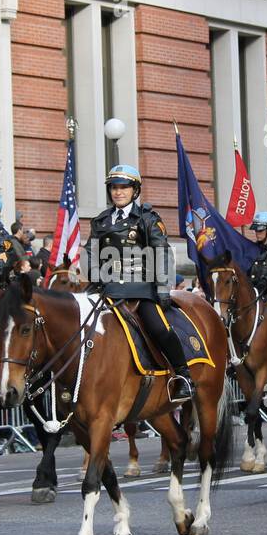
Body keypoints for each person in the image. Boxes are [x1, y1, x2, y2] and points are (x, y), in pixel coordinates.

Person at [81, 164, 193, 402]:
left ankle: (183, 376)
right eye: (114, 187)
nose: (118, 192)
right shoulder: (101, 221)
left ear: (135, 190)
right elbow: (89, 253)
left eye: (124, 187)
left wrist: (163, 289)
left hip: (140, 289)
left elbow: (161, 253)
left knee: (159, 328)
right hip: (106, 288)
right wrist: (96, 275)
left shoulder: (147, 218)